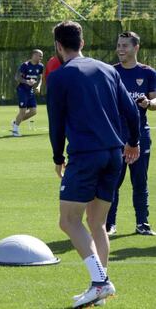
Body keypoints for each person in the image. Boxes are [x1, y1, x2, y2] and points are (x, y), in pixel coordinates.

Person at [47, 21, 140, 308]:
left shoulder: (60, 77)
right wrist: (134, 142)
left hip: (86, 155)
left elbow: (56, 124)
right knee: (97, 223)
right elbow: (131, 110)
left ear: (59, 47)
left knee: (69, 220)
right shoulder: (109, 70)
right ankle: (99, 287)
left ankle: (100, 282)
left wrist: (58, 157)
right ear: (82, 43)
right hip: (114, 154)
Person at [106, 31, 156, 236]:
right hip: (115, 136)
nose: (120, 49)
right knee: (113, 181)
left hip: (140, 135)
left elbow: (155, 101)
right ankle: (109, 224)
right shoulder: (110, 72)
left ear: (136, 48)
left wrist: (149, 103)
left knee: (140, 181)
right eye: (118, 45)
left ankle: (142, 224)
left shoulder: (148, 73)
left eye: (125, 46)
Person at [12, 49, 43, 137]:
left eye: (41, 56)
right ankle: (15, 130)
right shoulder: (25, 65)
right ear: (34, 55)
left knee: (33, 111)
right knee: (23, 110)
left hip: (30, 90)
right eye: (39, 56)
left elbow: (41, 78)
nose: (41, 58)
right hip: (22, 89)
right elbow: (17, 77)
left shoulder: (40, 66)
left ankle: (15, 122)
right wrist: (26, 81)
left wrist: (39, 86)